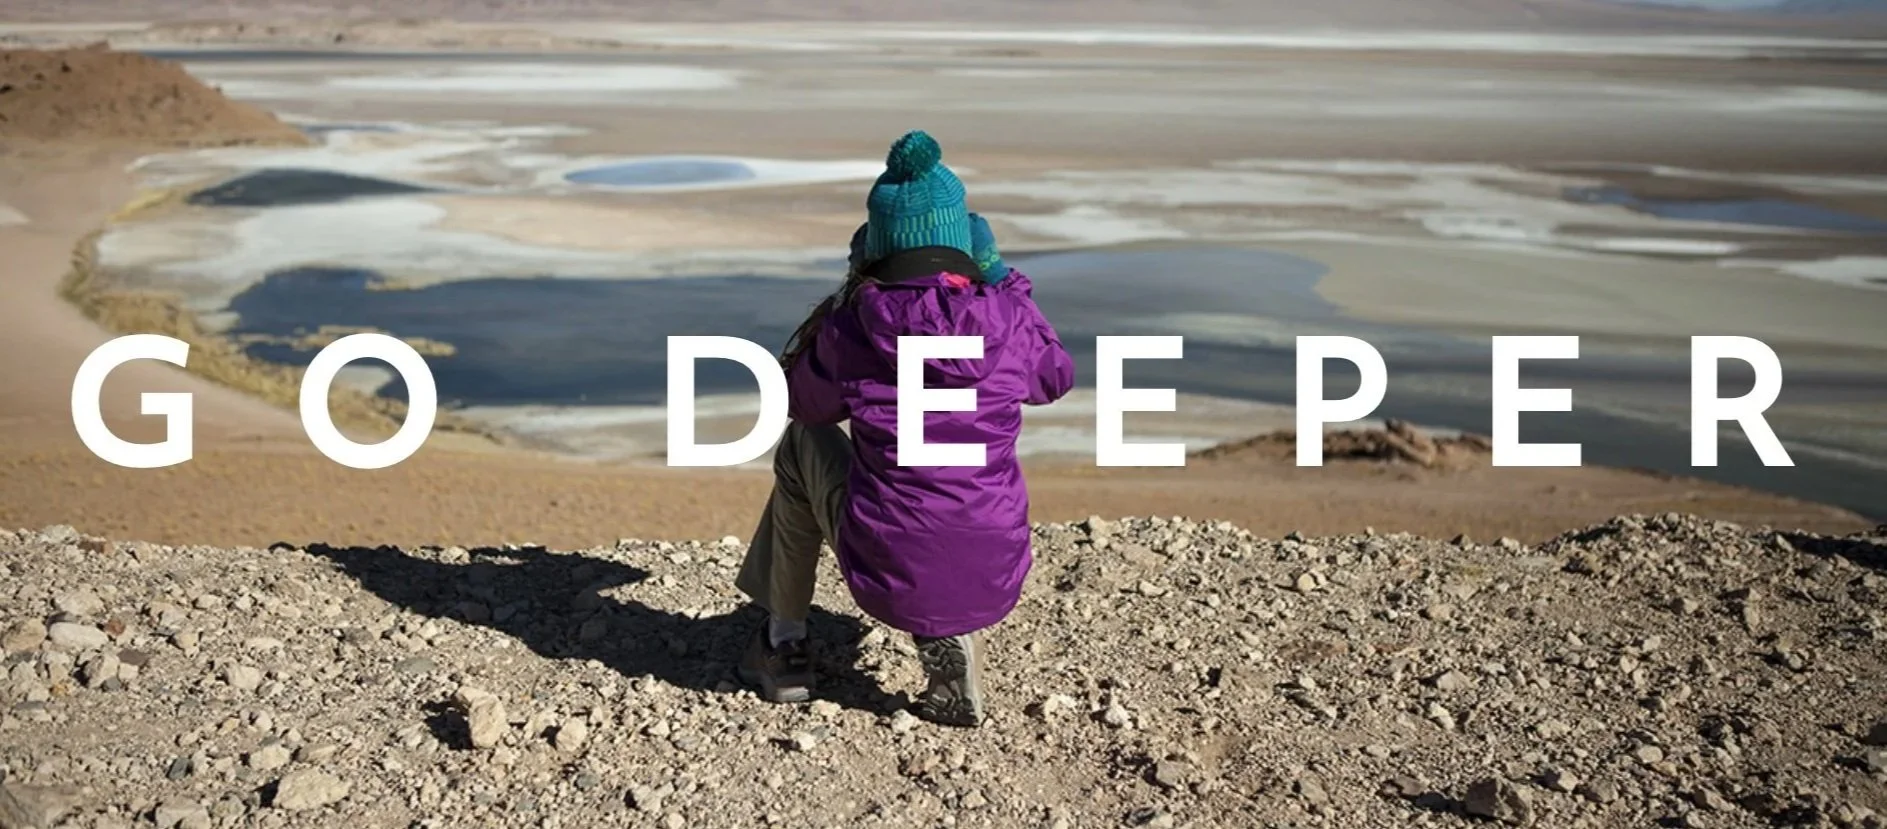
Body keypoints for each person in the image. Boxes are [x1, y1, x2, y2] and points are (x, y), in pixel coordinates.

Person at [736, 130, 1074, 727]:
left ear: (878, 244)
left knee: (800, 448)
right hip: (994, 566)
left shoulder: (855, 327)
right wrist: (1001, 279)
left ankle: (784, 644)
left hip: (886, 561)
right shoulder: (1008, 316)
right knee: (951, 486)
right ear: (960, 240)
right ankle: (946, 629)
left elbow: (801, 405)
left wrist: (850, 293)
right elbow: (1054, 379)